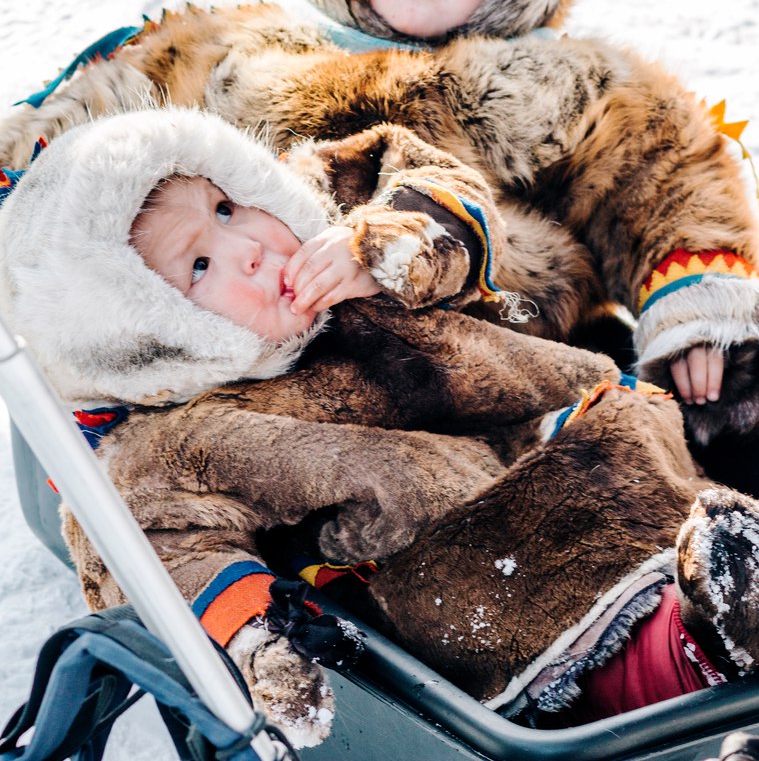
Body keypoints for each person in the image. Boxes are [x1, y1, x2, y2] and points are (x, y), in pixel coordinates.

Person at [0, 0, 757, 497]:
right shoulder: (235, 50)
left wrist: (696, 319)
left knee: (679, 423)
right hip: (278, 361)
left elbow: (665, 181)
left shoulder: (573, 81)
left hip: (508, 348)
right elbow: (97, 137)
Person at [1, 107, 758, 744]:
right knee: (554, 604)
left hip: (594, 447)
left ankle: (725, 605)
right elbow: (162, 550)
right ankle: (695, 665)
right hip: (470, 563)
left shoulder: (337, 244)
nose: (250, 246)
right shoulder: (180, 440)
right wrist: (262, 637)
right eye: (199, 265)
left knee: (681, 488)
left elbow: (415, 165)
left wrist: (389, 243)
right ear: (147, 330)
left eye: (228, 207)